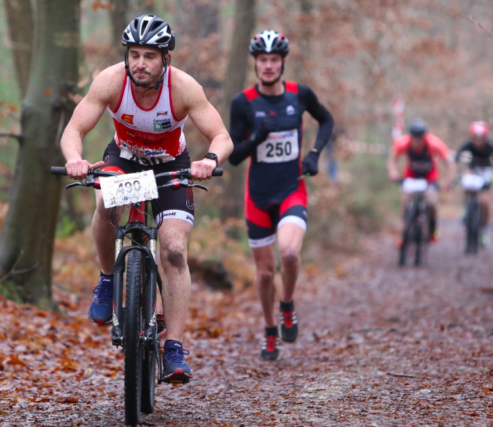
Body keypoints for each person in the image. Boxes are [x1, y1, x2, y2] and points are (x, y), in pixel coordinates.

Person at [60, 15, 233, 383]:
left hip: (171, 166)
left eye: (149, 56)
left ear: (165, 59)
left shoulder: (184, 88)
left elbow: (222, 136)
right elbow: (74, 128)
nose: (140, 63)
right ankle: (108, 279)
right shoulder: (110, 81)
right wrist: (74, 159)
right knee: (105, 202)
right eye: (134, 54)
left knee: (172, 249)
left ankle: (174, 348)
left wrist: (210, 160)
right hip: (125, 159)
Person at [228, 30, 334, 360]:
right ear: (256, 64)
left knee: (288, 253)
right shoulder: (243, 102)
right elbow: (233, 155)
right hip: (257, 196)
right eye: (263, 60)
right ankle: (270, 328)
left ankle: (287, 303)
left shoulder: (299, 95)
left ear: (283, 62)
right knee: (263, 273)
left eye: (274, 60)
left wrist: (315, 153)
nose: (269, 66)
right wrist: (255, 140)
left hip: (291, 190)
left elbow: (326, 120)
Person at [387, 118, 455, 242]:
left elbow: (449, 162)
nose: (417, 142)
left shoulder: (434, 144)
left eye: (420, 139)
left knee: (431, 202)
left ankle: (433, 229)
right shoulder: (403, 143)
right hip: (411, 176)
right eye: (414, 138)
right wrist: (393, 172)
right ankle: (404, 232)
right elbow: (392, 158)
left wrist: (448, 181)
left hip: (429, 177)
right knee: (405, 202)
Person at [455, 121, 493, 245]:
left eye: (481, 139)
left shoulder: (490, 146)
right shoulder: (468, 145)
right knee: (467, 186)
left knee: (485, 202)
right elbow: (458, 156)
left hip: (486, 173)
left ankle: (483, 229)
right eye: (476, 138)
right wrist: (457, 170)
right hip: (473, 171)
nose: (478, 141)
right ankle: (466, 207)